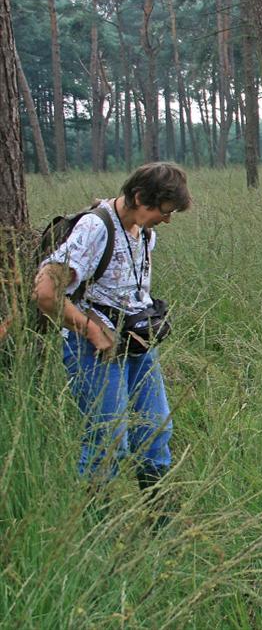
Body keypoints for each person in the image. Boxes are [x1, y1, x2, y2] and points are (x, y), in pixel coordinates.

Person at [33, 162, 191, 508]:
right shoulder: (96, 228)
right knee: (108, 440)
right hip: (93, 348)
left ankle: (160, 522)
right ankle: (96, 529)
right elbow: (46, 294)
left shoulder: (145, 233)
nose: (167, 220)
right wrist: (92, 331)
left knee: (155, 429)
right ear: (138, 197)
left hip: (137, 344)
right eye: (164, 211)